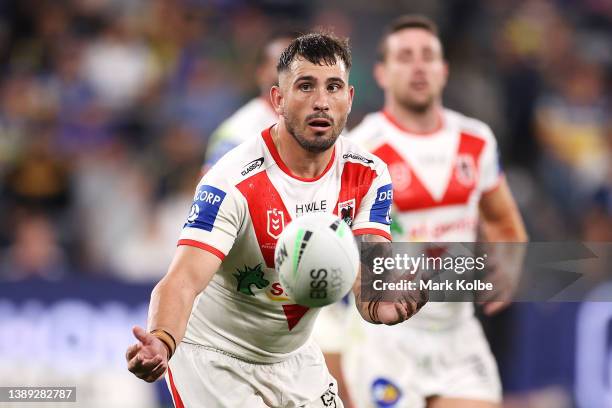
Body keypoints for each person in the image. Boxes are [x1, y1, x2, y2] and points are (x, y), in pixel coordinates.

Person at [125, 32, 427, 407]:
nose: (321, 102)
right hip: (215, 360)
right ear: (278, 100)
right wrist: (163, 338)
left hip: (295, 356)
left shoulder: (369, 174)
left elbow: (367, 270)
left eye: (333, 87)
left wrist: (381, 304)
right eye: (305, 86)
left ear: (348, 99)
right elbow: (182, 280)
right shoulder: (232, 179)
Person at [348, 15, 528, 408]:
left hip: (457, 334)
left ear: (444, 71)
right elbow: (341, 245)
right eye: (405, 56)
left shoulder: (476, 140)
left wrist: (508, 266)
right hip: (388, 339)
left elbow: (502, 220)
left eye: (428, 56)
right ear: (381, 72)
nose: (418, 65)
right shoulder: (360, 149)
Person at [201, 35, 293, 172]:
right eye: (282, 65)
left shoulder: (323, 123)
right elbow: (211, 190)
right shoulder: (238, 133)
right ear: (261, 73)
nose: (291, 73)